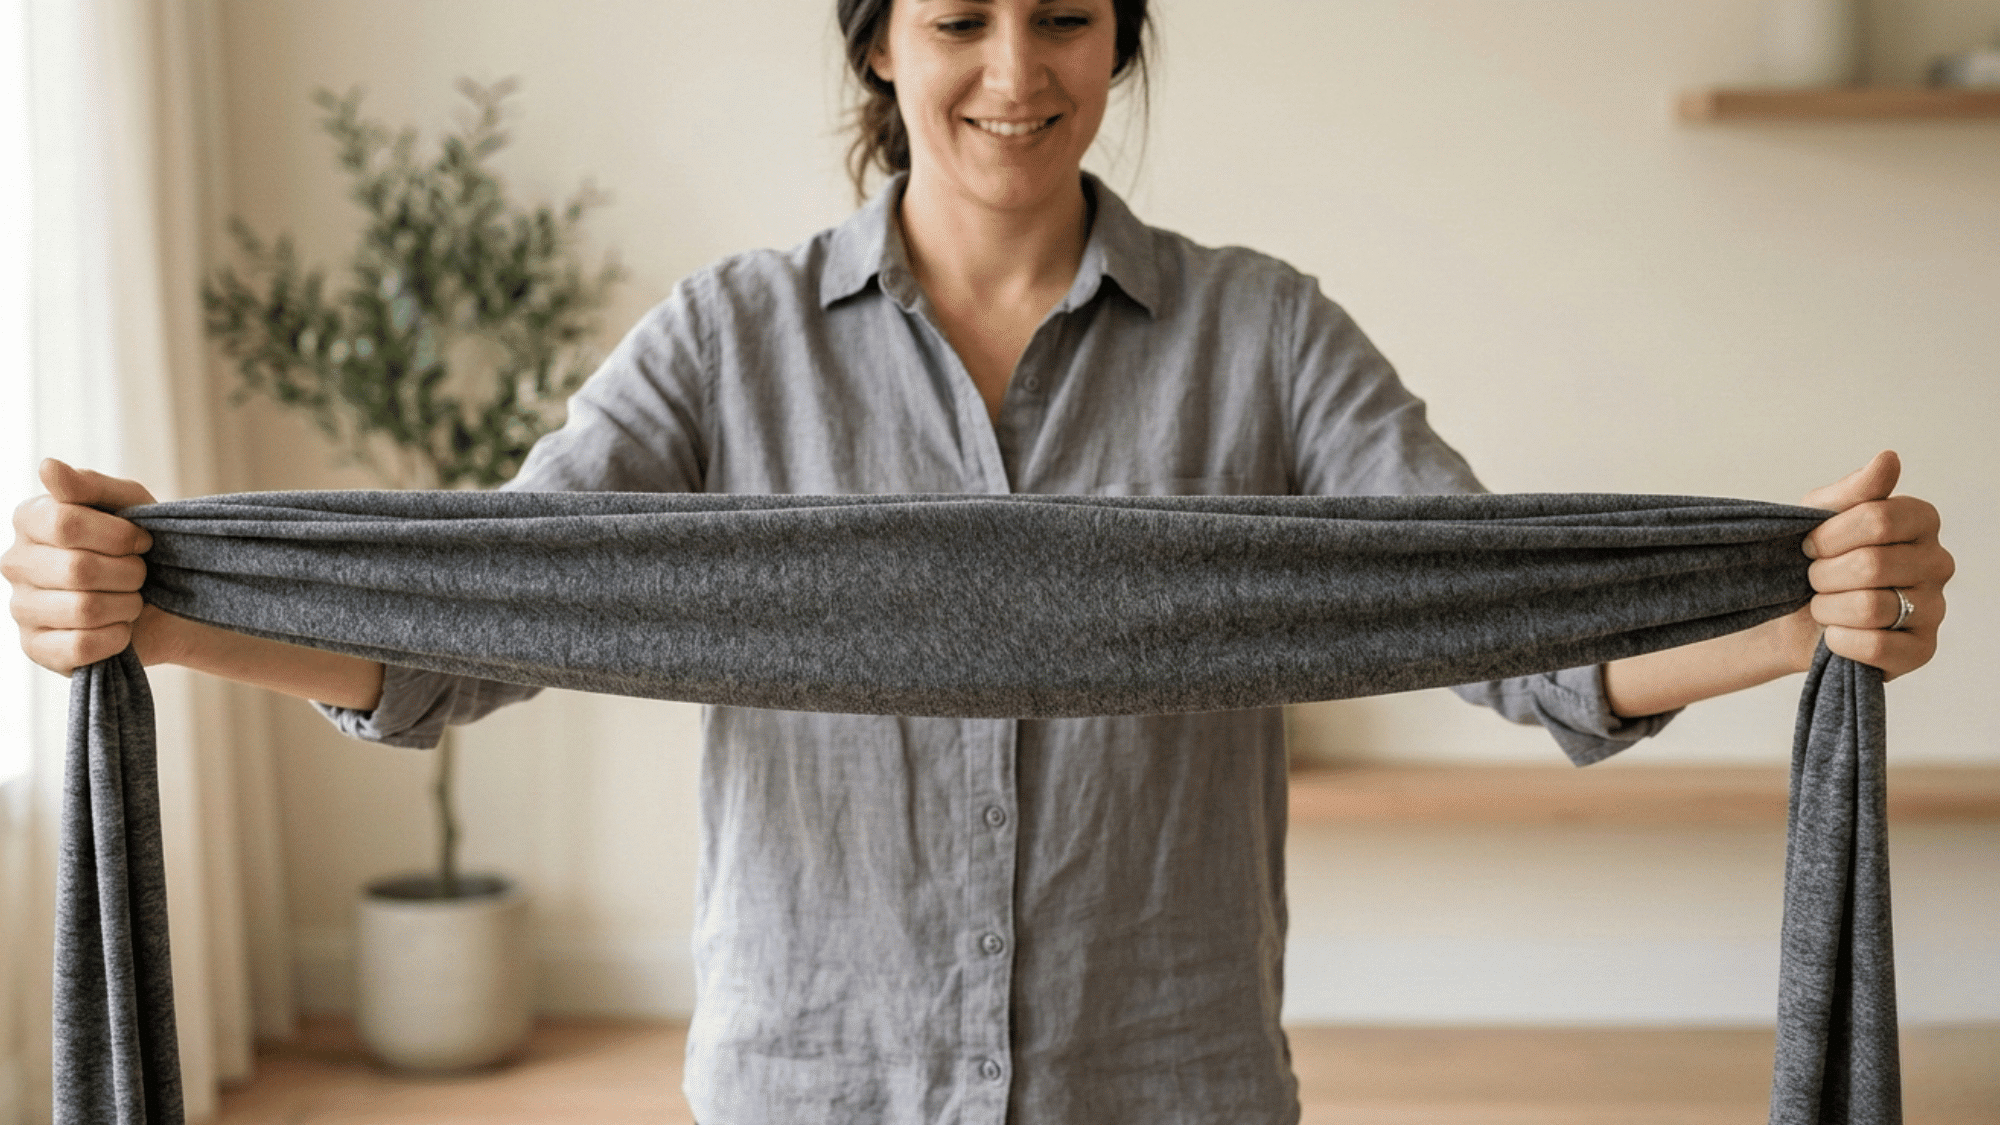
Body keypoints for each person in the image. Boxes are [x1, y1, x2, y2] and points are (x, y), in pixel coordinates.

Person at [4, 0, 1955, 1121]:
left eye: (1065, 17)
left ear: (1124, 41)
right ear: (876, 42)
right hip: (810, 1074)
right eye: (958, 17)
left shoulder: (1263, 333)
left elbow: (1510, 633)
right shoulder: (725, 340)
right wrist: (162, 617)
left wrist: (1801, 620)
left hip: (1167, 1071)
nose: (1014, 68)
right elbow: (463, 636)